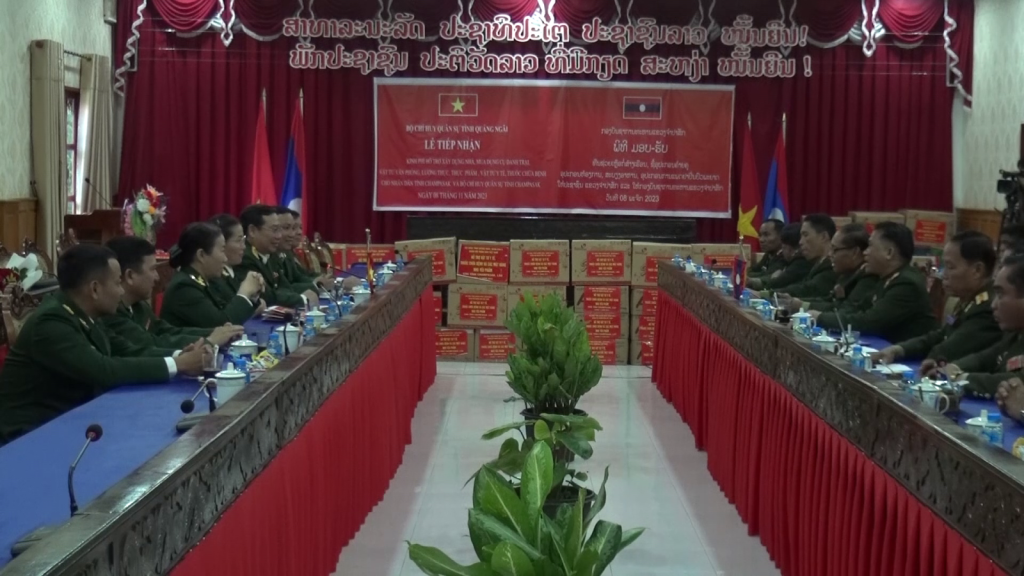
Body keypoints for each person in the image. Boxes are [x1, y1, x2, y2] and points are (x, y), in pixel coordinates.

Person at [0, 244, 208, 444]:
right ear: (95, 289)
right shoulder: (51, 323)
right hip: (29, 435)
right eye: (117, 283)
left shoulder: (83, 313)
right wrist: (179, 365)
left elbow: (127, 351)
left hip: (73, 419)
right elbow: (103, 370)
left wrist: (179, 356)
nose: (121, 292)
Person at [872, 231, 1001, 369]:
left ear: (977, 270)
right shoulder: (968, 298)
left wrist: (929, 357)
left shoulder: (988, 307)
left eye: (950, 267)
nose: (943, 274)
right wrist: (899, 349)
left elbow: (950, 350)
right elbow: (941, 335)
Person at [101, 236, 244, 350]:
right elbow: (151, 343)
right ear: (130, 276)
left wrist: (215, 332)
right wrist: (210, 340)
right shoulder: (111, 313)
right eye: (152, 269)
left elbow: (165, 330)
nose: (157, 277)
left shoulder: (138, 305)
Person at [814, 221, 938, 342]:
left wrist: (820, 318)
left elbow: (868, 322)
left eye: (870, 246)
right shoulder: (886, 278)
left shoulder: (907, 284)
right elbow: (857, 309)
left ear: (889, 252)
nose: (865, 252)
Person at [934, 253, 1024, 399]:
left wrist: (961, 378)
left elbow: (1015, 382)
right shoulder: (1014, 334)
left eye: (1001, 295)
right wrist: (955, 367)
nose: (993, 305)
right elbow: (986, 357)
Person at [161, 222, 263, 328]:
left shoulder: (205, 280)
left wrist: (251, 295)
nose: (225, 259)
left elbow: (227, 310)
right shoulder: (184, 288)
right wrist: (244, 293)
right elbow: (221, 324)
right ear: (201, 255)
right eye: (222, 251)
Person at [783, 223, 879, 313]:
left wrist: (803, 305)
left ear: (854, 252)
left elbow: (845, 310)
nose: (830, 254)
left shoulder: (868, 278)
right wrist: (796, 301)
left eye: (835, 250)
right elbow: (830, 299)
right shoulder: (847, 273)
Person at [234, 204, 318, 308]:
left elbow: (285, 287)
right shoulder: (244, 257)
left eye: (279, 230)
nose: (279, 236)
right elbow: (266, 295)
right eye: (274, 230)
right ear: (252, 231)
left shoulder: (269, 254)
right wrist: (303, 299)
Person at [757, 214, 836, 299]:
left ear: (823, 237)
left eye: (805, 235)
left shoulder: (833, 265)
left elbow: (806, 289)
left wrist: (764, 294)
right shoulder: (817, 263)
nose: (800, 242)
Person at [275, 207, 335, 292]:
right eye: (287, 228)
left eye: (300, 227)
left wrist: (324, 280)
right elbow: (282, 288)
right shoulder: (268, 256)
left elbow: (301, 276)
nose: (293, 233)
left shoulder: (287, 253)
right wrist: (316, 285)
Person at [746, 223, 809, 290]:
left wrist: (750, 281)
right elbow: (755, 269)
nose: (761, 240)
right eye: (760, 235)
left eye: (766, 235)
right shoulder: (769, 254)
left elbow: (774, 283)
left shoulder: (800, 262)